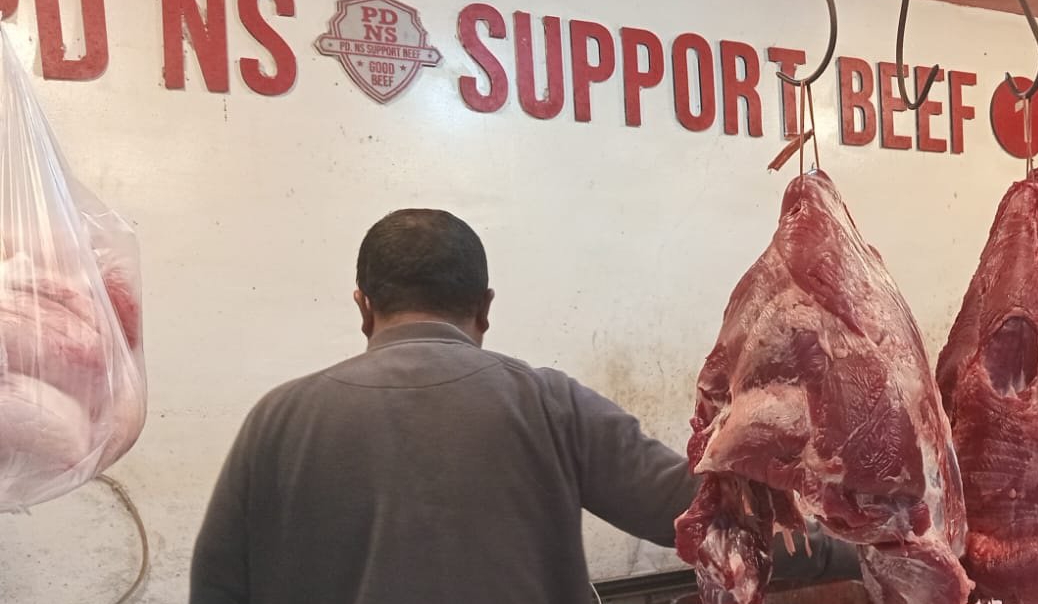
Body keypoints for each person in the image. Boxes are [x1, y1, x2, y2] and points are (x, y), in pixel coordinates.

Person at [190, 209, 856, 604]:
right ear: (484, 307)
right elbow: (708, 517)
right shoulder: (548, 404)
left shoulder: (276, 422)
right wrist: (866, 552)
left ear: (363, 305)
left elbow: (217, 587)